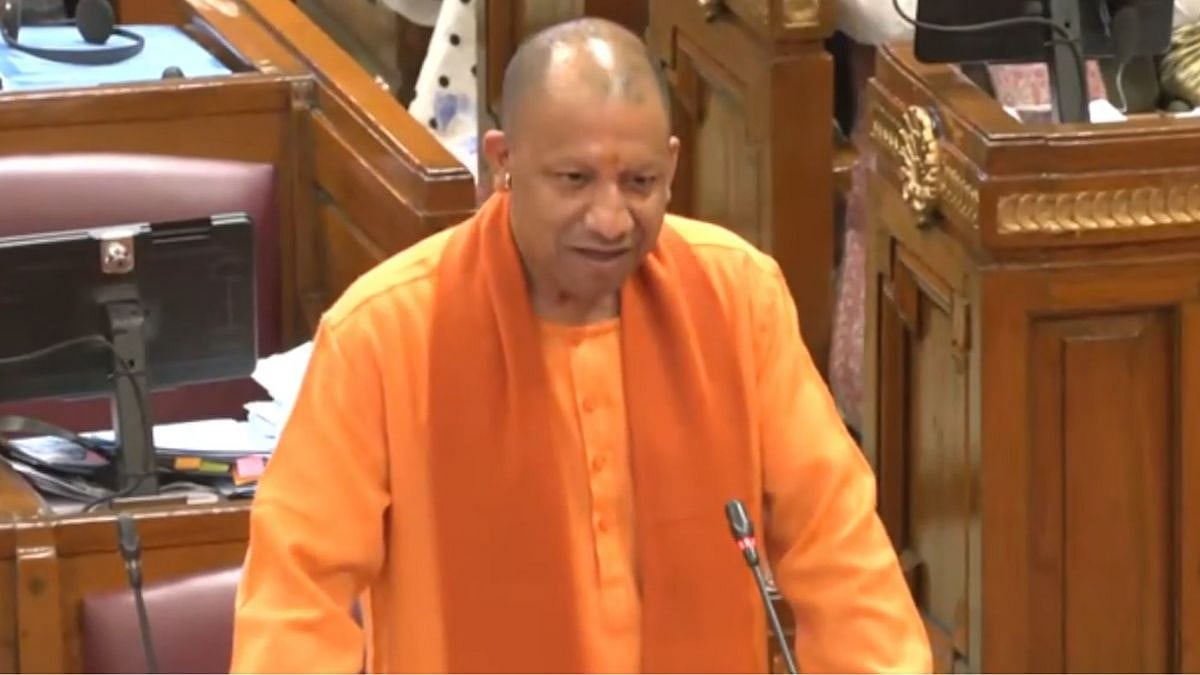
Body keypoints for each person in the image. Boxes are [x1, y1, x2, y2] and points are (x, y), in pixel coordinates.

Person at [230, 17, 930, 674]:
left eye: (640, 182)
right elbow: (296, 606)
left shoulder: (736, 296)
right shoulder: (383, 333)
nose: (610, 218)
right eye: (574, 179)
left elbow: (840, 554)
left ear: (672, 163)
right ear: (502, 160)